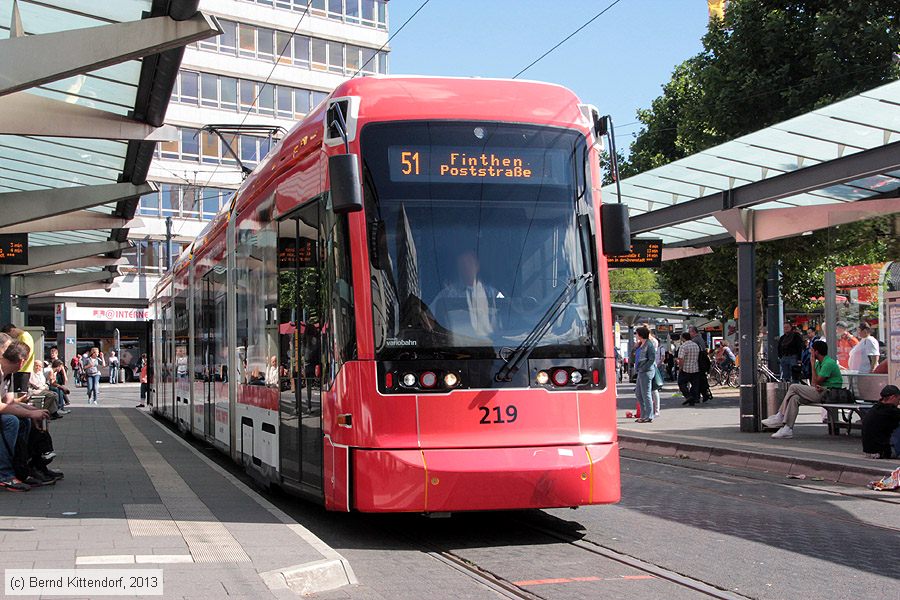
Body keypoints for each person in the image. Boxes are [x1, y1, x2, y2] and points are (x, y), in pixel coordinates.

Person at [762, 340, 845, 439]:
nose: (810, 352)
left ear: (816, 352)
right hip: (820, 391)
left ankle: (780, 415)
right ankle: (787, 428)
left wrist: (812, 364)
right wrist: (814, 367)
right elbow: (814, 383)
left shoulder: (828, 363)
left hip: (828, 393)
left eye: (812, 350)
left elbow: (816, 381)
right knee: (794, 398)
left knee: (793, 387)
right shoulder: (820, 363)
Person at [431, 250, 499, 341]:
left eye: (469, 262)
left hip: (492, 347)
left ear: (477, 265)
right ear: (458, 267)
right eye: (462, 263)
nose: (466, 267)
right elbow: (428, 316)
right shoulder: (447, 294)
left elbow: (507, 319)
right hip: (457, 347)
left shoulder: (493, 293)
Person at [861, 385, 900, 459]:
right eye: (898, 399)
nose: (898, 403)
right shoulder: (891, 411)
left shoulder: (875, 408)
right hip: (881, 452)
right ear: (892, 397)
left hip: (868, 450)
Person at [0, 325, 34, 394]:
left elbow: (23, 353)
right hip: (23, 369)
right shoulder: (23, 337)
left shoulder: (24, 337)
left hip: (23, 370)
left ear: (12, 330)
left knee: (20, 393)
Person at [633, 326, 656, 423]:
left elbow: (652, 359)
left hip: (646, 371)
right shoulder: (640, 344)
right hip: (640, 371)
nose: (636, 335)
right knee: (639, 394)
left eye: (637, 333)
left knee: (646, 394)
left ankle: (649, 415)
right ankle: (643, 414)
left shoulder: (649, 345)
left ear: (640, 334)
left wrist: (644, 367)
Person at [688, 326, 713, 401]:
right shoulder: (700, 338)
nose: (689, 334)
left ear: (694, 332)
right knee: (701, 379)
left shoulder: (695, 340)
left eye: (690, 332)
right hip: (703, 362)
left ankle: (698, 396)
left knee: (697, 380)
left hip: (699, 362)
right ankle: (704, 394)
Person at [677, 332, 701, 406]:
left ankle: (688, 396)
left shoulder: (683, 346)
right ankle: (693, 397)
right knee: (694, 384)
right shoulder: (695, 345)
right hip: (695, 368)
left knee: (681, 383)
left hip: (686, 368)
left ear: (683, 338)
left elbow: (681, 358)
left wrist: (680, 367)